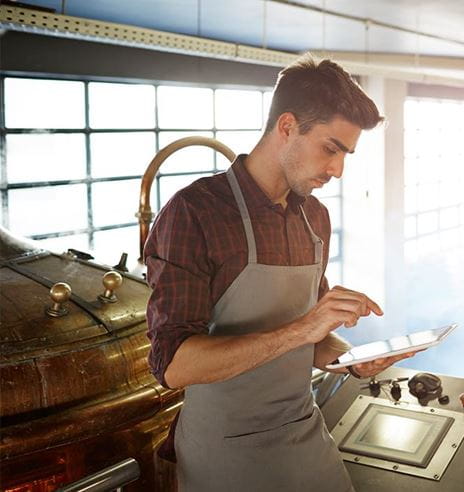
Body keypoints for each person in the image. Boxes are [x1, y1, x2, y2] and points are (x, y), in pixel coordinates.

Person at [144, 57, 414, 491]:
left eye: (346, 154)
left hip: (303, 431)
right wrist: (303, 329)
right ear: (287, 126)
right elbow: (173, 365)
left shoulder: (315, 217)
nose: (338, 169)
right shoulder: (195, 212)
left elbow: (313, 336)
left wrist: (352, 360)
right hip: (225, 450)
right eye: (331, 148)